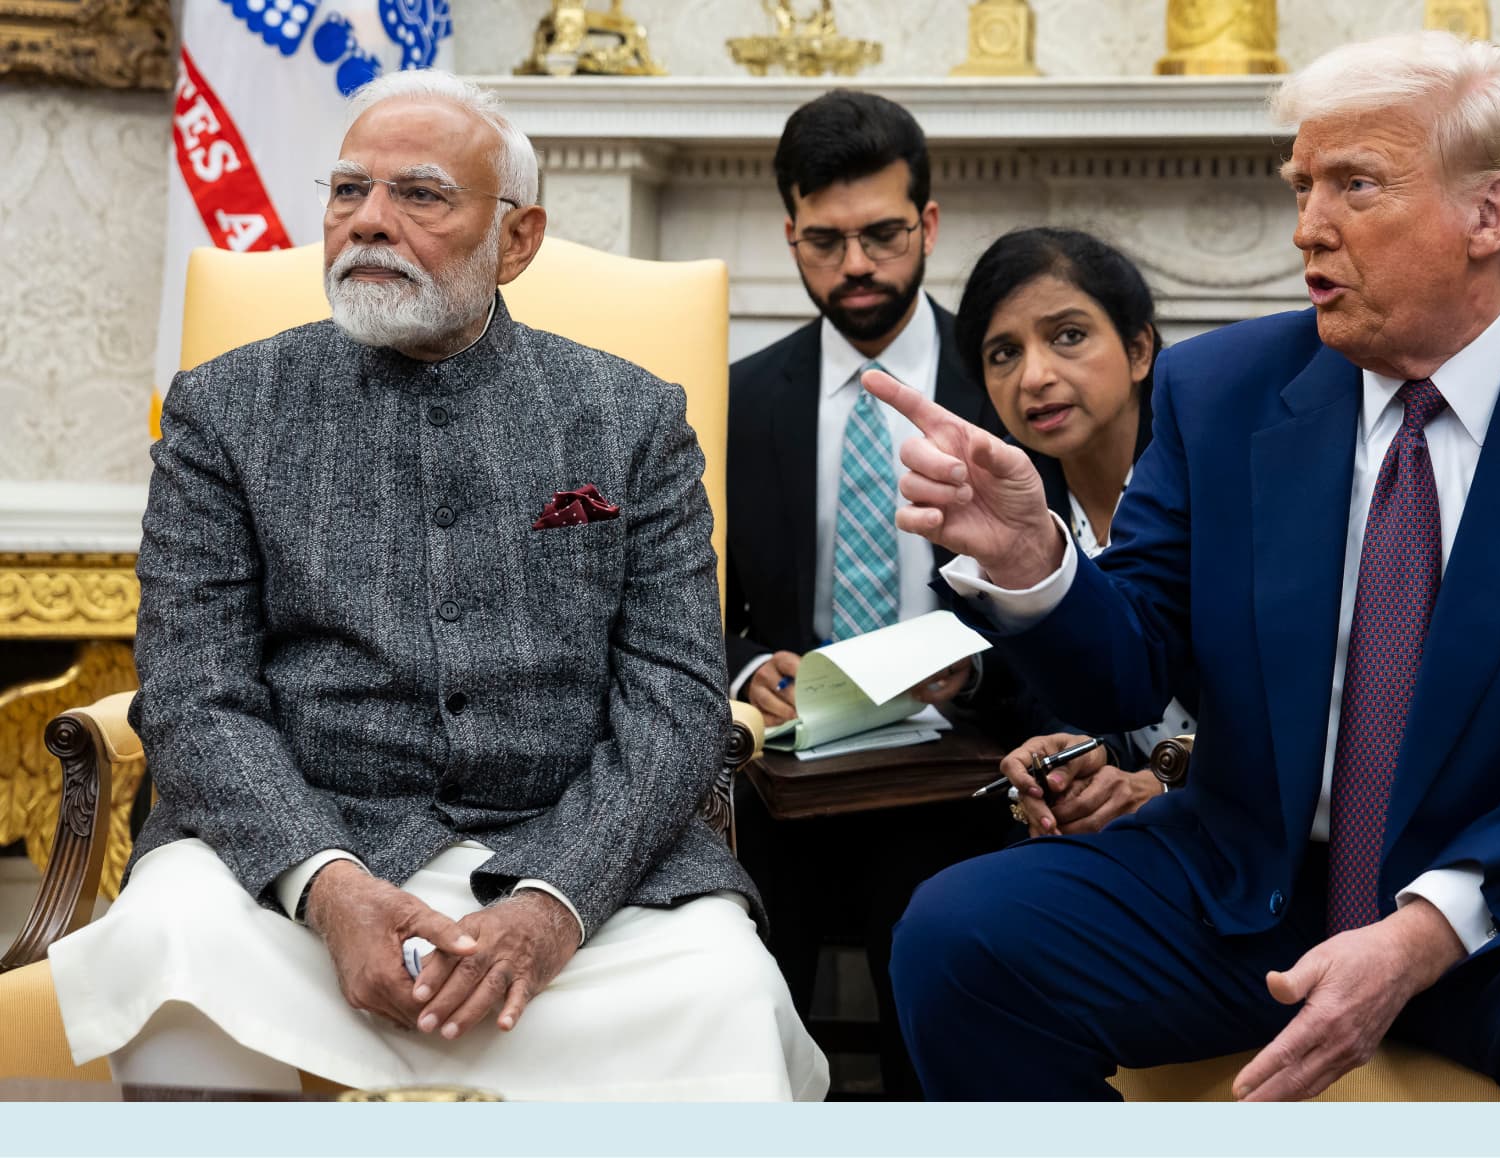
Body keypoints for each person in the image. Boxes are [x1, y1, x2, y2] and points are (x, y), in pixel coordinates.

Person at [875, 32, 1500, 1100]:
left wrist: (1433, 925)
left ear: (1490, 213)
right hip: (1253, 881)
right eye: (1303, 185)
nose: (1307, 227)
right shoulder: (1221, 393)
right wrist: (1040, 567)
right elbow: (1128, 673)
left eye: (1356, 185)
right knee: (958, 941)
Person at [45, 70, 827, 1101]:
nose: (369, 221)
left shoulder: (629, 418)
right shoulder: (223, 409)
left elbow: (677, 698)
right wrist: (327, 888)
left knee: (724, 991)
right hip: (292, 851)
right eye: (346, 192)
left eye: (419, 194)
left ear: (518, 239)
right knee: (173, 943)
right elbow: (196, 693)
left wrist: (554, 904)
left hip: (571, 858)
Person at [722, 89, 1007, 1098]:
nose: (856, 267)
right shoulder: (736, 398)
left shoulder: (1009, 382)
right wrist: (752, 669)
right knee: (732, 981)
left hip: (969, 771)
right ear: (790, 233)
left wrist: (981, 661)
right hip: (787, 782)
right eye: (826, 240)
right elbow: (684, 605)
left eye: (883, 234)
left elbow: (1086, 581)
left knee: (938, 971)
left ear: (928, 225)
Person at [951, 227, 1197, 837]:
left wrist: (1169, 774)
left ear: (1140, 350)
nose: (1034, 376)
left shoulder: (1216, 474)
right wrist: (1066, 763)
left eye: (1068, 336)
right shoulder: (1002, 504)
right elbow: (1044, 695)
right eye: (1003, 353)